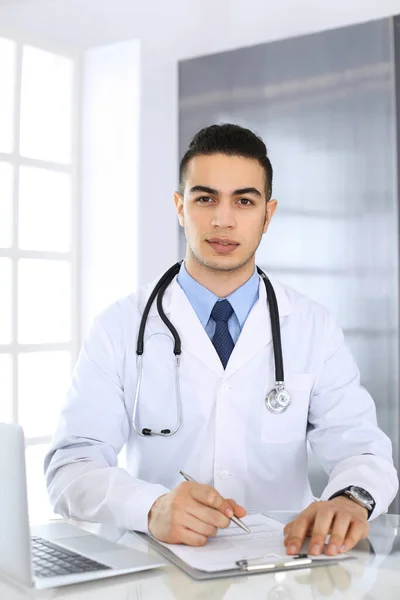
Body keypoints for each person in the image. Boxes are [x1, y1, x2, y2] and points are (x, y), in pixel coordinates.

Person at [45, 123, 398, 557]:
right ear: (180, 206)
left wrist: (350, 500)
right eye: (205, 198)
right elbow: (71, 466)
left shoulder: (312, 326)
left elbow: (362, 449)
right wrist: (149, 506)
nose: (222, 219)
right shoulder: (118, 326)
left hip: (286, 567)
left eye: (244, 201)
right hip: (161, 566)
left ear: (268, 214)